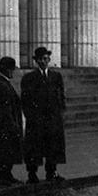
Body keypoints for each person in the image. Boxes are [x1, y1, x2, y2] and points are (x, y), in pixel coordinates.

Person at [20, 46, 67, 183]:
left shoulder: (56, 76)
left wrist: (60, 112)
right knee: (35, 147)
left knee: (53, 146)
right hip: (37, 119)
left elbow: (61, 95)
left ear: (49, 60)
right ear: (36, 61)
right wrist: (30, 116)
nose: (43, 61)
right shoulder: (29, 78)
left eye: (45, 59)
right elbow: (25, 100)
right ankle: (32, 174)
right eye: (40, 59)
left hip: (53, 119)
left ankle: (52, 172)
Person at [0, 56, 23, 186]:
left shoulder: (2, 83)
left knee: (5, 153)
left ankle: (6, 175)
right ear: (7, 70)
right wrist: (13, 125)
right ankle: (1, 177)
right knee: (3, 153)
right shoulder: (2, 85)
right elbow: (5, 109)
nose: (13, 72)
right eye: (12, 69)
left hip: (2, 126)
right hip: (4, 127)